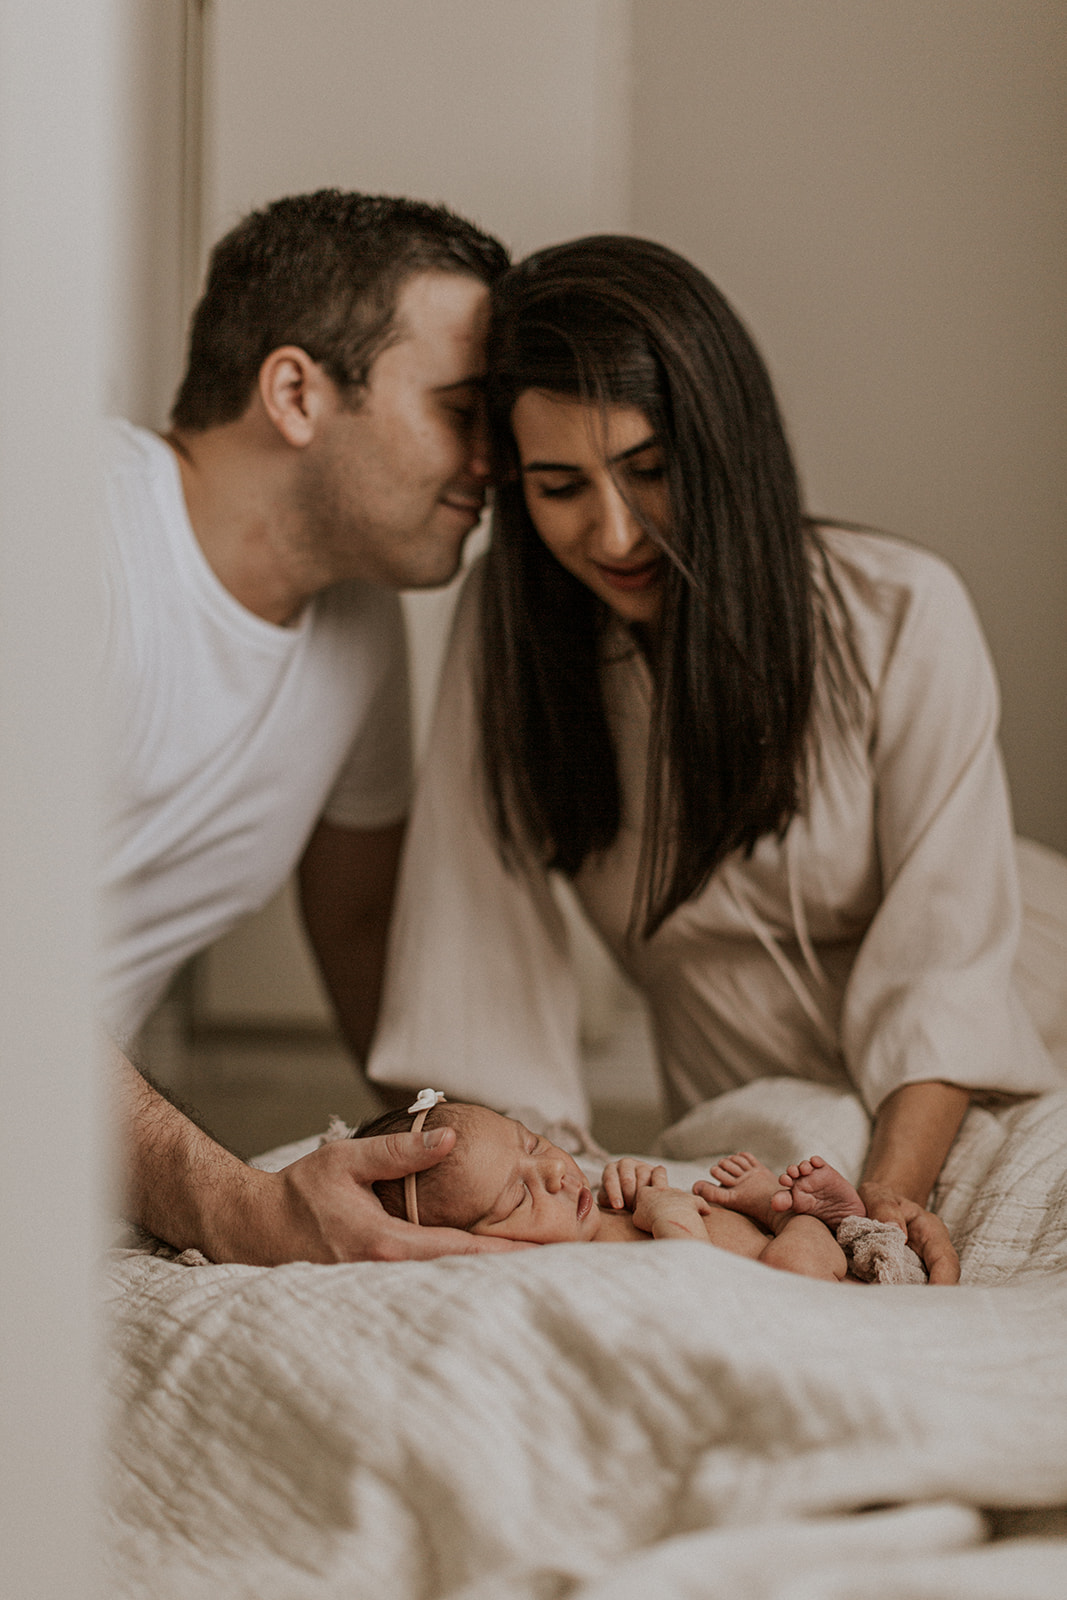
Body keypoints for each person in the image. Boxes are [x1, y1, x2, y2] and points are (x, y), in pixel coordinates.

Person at [366, 234, 1062, 1286]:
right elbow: (471, 964)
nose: (613, 530)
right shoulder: (513, 641)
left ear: (723, 443)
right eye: (558, 486)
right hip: (752, 1105)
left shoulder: (899, 611)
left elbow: (946, 969)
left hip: (999, 1036)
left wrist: (889, 1191)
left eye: (649, 470)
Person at [102, 189, 530, 1265]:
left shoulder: (358, 614)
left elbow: (362, 932)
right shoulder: (78, 528)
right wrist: (235, 1206)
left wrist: (516, 1171)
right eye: (459, 410)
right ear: (295, 392)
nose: (496, 462)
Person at [353, 1094, 868, 1282]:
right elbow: (699, 1281)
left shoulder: (582, 1214)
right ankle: (799, 1219)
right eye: (518, 1197)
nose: (556, 1174)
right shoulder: (576, 1273)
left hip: (748, 1232)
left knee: (721, 1196)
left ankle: (781, 1213)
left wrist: (628, 1182)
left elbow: (623, 1202)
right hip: (799, 1284)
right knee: (791, 1268)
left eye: (533, 1145)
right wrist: (667, 1215)